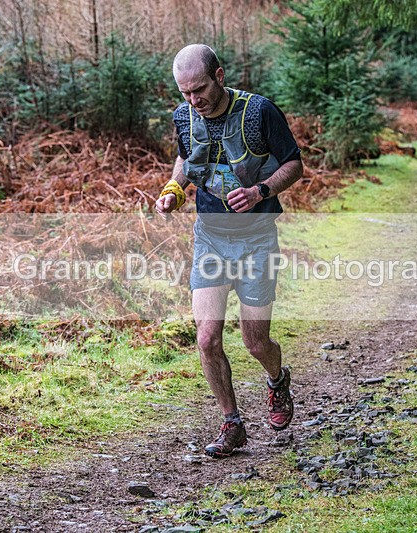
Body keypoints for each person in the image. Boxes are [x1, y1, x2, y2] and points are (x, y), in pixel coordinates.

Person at [155, 44, 303, 458]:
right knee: (206, 338)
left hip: (256, 238)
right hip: (210, 238)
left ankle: (276, 380)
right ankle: (232, 423)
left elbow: (294, 164)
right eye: (184, 93)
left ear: (219, 76)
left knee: (257, 343)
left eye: (199, 89)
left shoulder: (259, 112)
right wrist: (173, 190)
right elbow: (187, 159)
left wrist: (261, 191)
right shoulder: (184, 116)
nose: (193, 100)